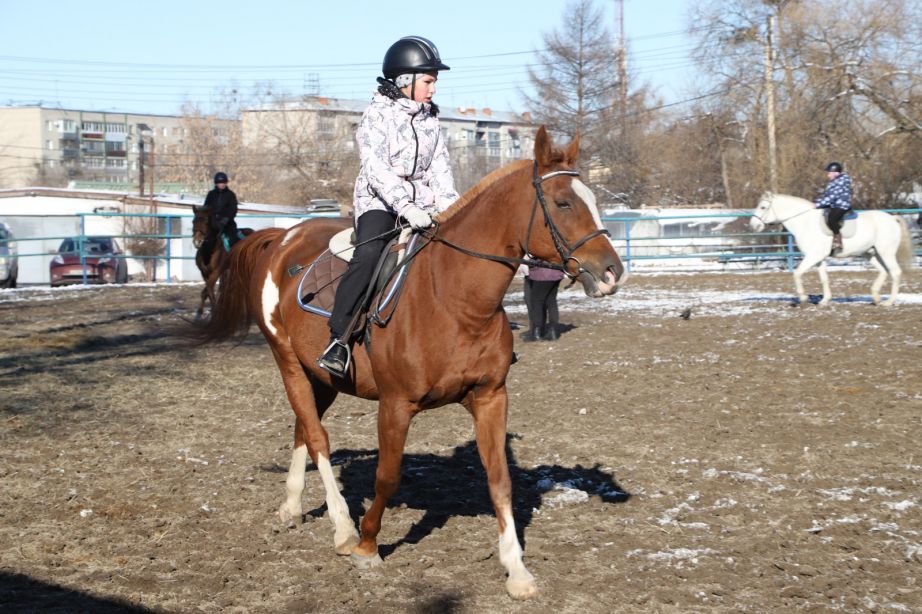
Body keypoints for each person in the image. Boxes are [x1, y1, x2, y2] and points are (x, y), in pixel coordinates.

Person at [317, 36, 459, 378]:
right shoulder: (375, 116)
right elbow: (376, 169)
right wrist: (405, 206)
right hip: (378, 203)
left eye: (434, 81)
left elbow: (441, 171)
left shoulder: (430, 121)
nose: (434, 89)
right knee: (369, 255)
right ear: (404, 80)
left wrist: (453, 211)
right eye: (429, 81)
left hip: (424, 205)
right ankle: (339, 339)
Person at [814, 162, 853, 255]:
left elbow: (833, 196)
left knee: (832, 219)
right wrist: (818, 201)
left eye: (829, 173)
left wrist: (818, 204)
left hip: (841, 205)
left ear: (836, 173)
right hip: (834, 204)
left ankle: (838, 240)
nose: (828, 175)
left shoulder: (841, 182)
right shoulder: (834, 182)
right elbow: (827, 196)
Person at [520, 263, 565, 342]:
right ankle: (553, 331)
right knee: (551, 301)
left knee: (536, 301)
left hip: (542, 273)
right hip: (556, 271)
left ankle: (537, 333)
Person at [201, 172, 240, 260]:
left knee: (233, 239)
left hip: (227, 224)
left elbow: (233, 209)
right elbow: (206, 207)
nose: (221, 184)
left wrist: (226, 219)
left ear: (226, 183)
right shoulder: (211, 194)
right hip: (213, 224)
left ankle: (233, 258)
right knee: (205, 240)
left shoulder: (230, 195)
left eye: (223, 183)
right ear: (216, 183)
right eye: (219, 183)